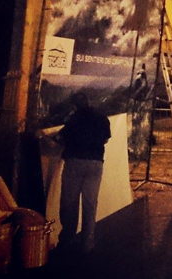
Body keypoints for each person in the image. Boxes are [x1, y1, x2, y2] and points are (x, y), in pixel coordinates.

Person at [56, 92, 111, 254]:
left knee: (69, 203)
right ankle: (87, 242)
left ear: (74, 105)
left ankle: (67, 239)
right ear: (89, 101)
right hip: (95, 164)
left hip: (75, 163)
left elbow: (60, 138)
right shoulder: (102, 117)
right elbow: (106, 139)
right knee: (90, 204)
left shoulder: (73, 119)